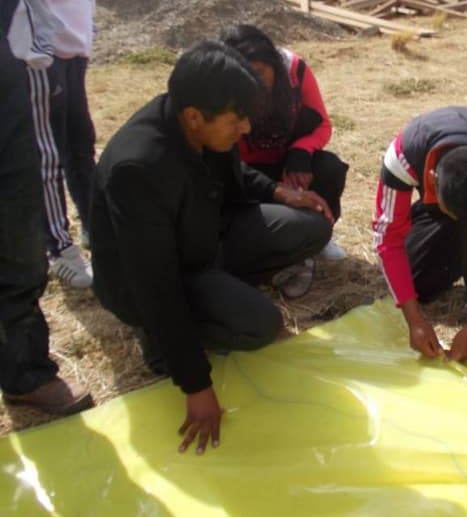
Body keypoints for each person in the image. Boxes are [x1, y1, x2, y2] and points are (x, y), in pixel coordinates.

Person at [89, 41, 333, 454]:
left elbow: (234, 171)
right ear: (194, 118)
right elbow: (154, 283)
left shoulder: (199, 122)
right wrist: (196, 383)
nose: (245, 130)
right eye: (237, 121)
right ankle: (160, 343)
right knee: (260, 326)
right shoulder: (140, 167)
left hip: (204, 238)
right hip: (160, 276)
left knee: (311, 227)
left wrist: (279, 191)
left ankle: (217, 293)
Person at [0, 0, 92, 416]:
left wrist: (77, 40)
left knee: (72, 150)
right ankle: (61, 246)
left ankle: (24, 371)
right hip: (29, 55)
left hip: (59, 47)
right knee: (36, 170)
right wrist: (39, 52)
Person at [372, 106, 467, 361]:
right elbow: (388, 239)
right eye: (457, 217)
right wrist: (414, 320)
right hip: (437, 208)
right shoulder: (403, 157)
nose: (462, 224)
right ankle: (462, 238)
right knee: (416, 284)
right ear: (432, 180)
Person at [218, 24, 349, 295]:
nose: (255, 82)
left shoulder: (296, 71)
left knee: (329, 167)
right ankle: (286, 249)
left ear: (274, 64)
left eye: (260, 73)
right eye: (246, 75)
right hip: (248, 170)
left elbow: (322, 125)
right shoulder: (223, 83)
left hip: (289, 163)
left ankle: (317, 236)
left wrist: (301, 152)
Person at [7, 0, 96, 289]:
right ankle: (60, 248)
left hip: (73, 40)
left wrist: (82, 31)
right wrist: (38, 48)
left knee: (80, 143)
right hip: (39, 51)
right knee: (47, 156)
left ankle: (95, 224)